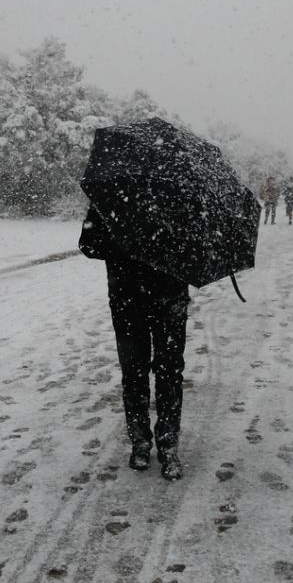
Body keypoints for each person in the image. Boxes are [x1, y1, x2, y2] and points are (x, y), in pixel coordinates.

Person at [79, 204, 190, 480]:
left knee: (168, 372)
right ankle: (141, 441)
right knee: (135, 372)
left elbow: (195, 250)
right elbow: (89, 245)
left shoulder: (180, 200)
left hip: (168, 299)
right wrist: (119, 243)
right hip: (129, 299)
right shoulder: (113, 197)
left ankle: (166, 444)